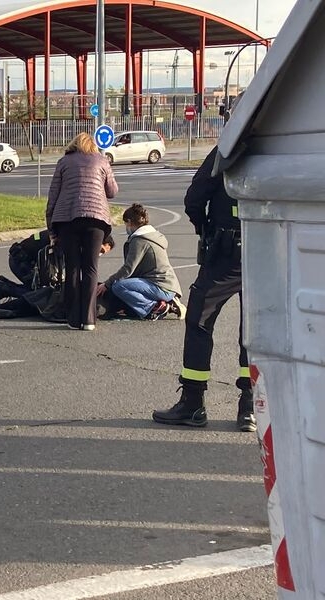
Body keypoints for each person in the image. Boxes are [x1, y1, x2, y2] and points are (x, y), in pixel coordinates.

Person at [152, 93, 255, 432]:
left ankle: (193, 403)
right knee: (254, 332)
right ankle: (250, 408)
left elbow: (194, 198)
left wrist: (206, 230)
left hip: (225, 254)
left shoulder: (226, 150)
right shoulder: (274, 148)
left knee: (199, 320)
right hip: (267, 254)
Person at [46, 132, 118, 331]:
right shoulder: (102, 161)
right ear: (93, 146)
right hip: (96, 219)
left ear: (74, 145)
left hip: (67, 220)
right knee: (91, 268)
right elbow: (112, 191)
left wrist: (51, 227)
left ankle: (73, 318)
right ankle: (89, 320)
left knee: (73, 268)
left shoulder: (63, 162)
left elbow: (53, 195)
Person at [96, 203, 185, 320]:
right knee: (123, 285)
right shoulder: (152, 236)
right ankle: (162, 302)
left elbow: (128, 269)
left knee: (119, 286)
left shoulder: (139, 241)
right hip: (168, 285)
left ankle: (156, 307)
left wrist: (107, 284)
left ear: (129, 222)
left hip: (160, 286)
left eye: (125, 224)